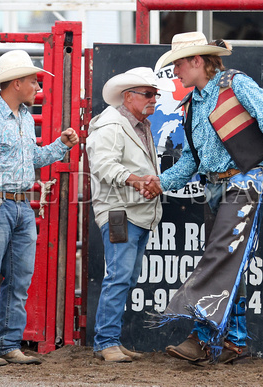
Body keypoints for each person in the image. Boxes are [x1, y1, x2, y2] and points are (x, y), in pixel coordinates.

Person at [144, 31, 263, 364]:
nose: (175, 72)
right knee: (230, 262)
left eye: (179, 64)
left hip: (243, 182)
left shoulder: (236, 85)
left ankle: (200, 338)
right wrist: (160, 182)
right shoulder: (193, 104)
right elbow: (190, 160)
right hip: (214, 186)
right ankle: (234, 341)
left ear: (198, 61)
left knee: (219, 256)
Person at [0, 49, 79, 367]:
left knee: (18, 280)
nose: (37, 87)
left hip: (21, 206)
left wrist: (60, 146)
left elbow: (34, 159)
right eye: (33, 81)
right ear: (15, 84)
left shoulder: (25, 119)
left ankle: (5, 344)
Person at [86, 67, 174, 362]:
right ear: (129, 97)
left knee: (125, 276)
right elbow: (103, 165)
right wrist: (138, 181)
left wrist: (143, 182)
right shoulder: (112, 126)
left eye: (155, 95)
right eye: (148, 95)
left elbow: (109, 165)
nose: (154, 100)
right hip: (119, 213)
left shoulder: (134, 125)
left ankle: (108, 339)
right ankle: (106, 342)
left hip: (129, 212)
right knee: (121, 276)